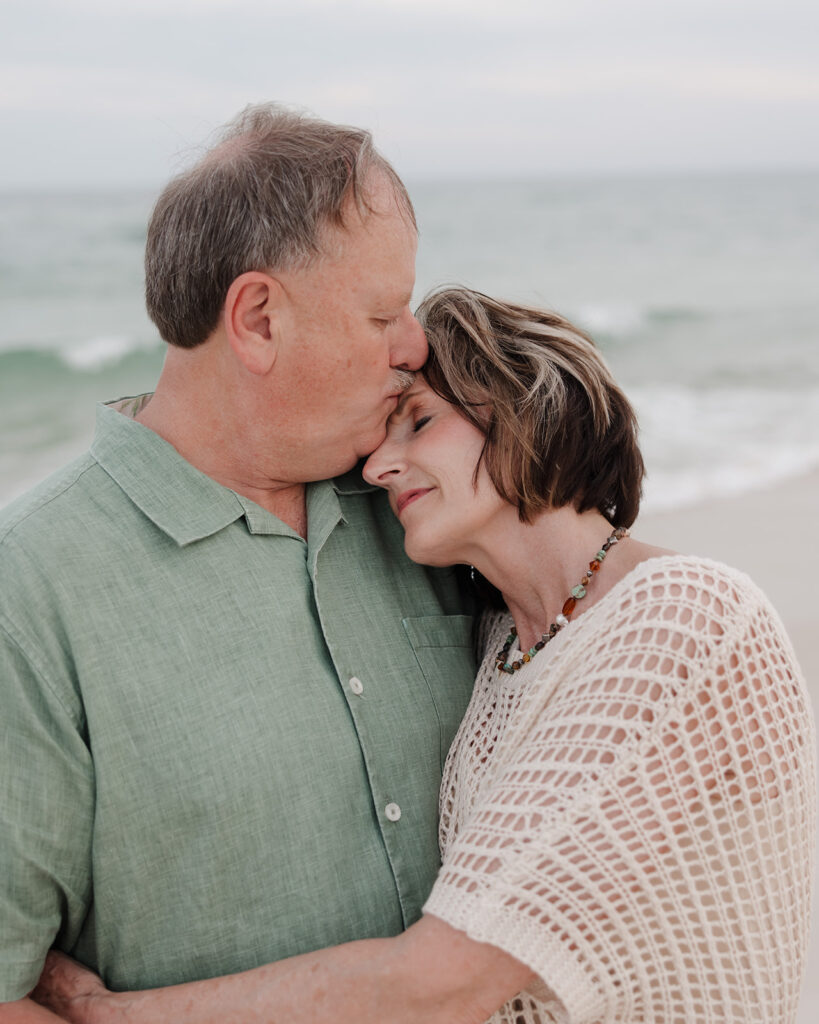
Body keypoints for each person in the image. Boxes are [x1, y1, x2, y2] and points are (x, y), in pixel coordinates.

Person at [31, 288, 816, 1023]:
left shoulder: (686, 620)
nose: (376, 467)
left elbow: (443, 978)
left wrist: (114, 1013)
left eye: (418, 422)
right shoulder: (504, 645)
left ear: (523, 407)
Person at [0, 107, 484, 1021]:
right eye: (382, 312)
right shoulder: (29, 594)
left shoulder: (429, 503)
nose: (414, 345)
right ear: (258, 319)